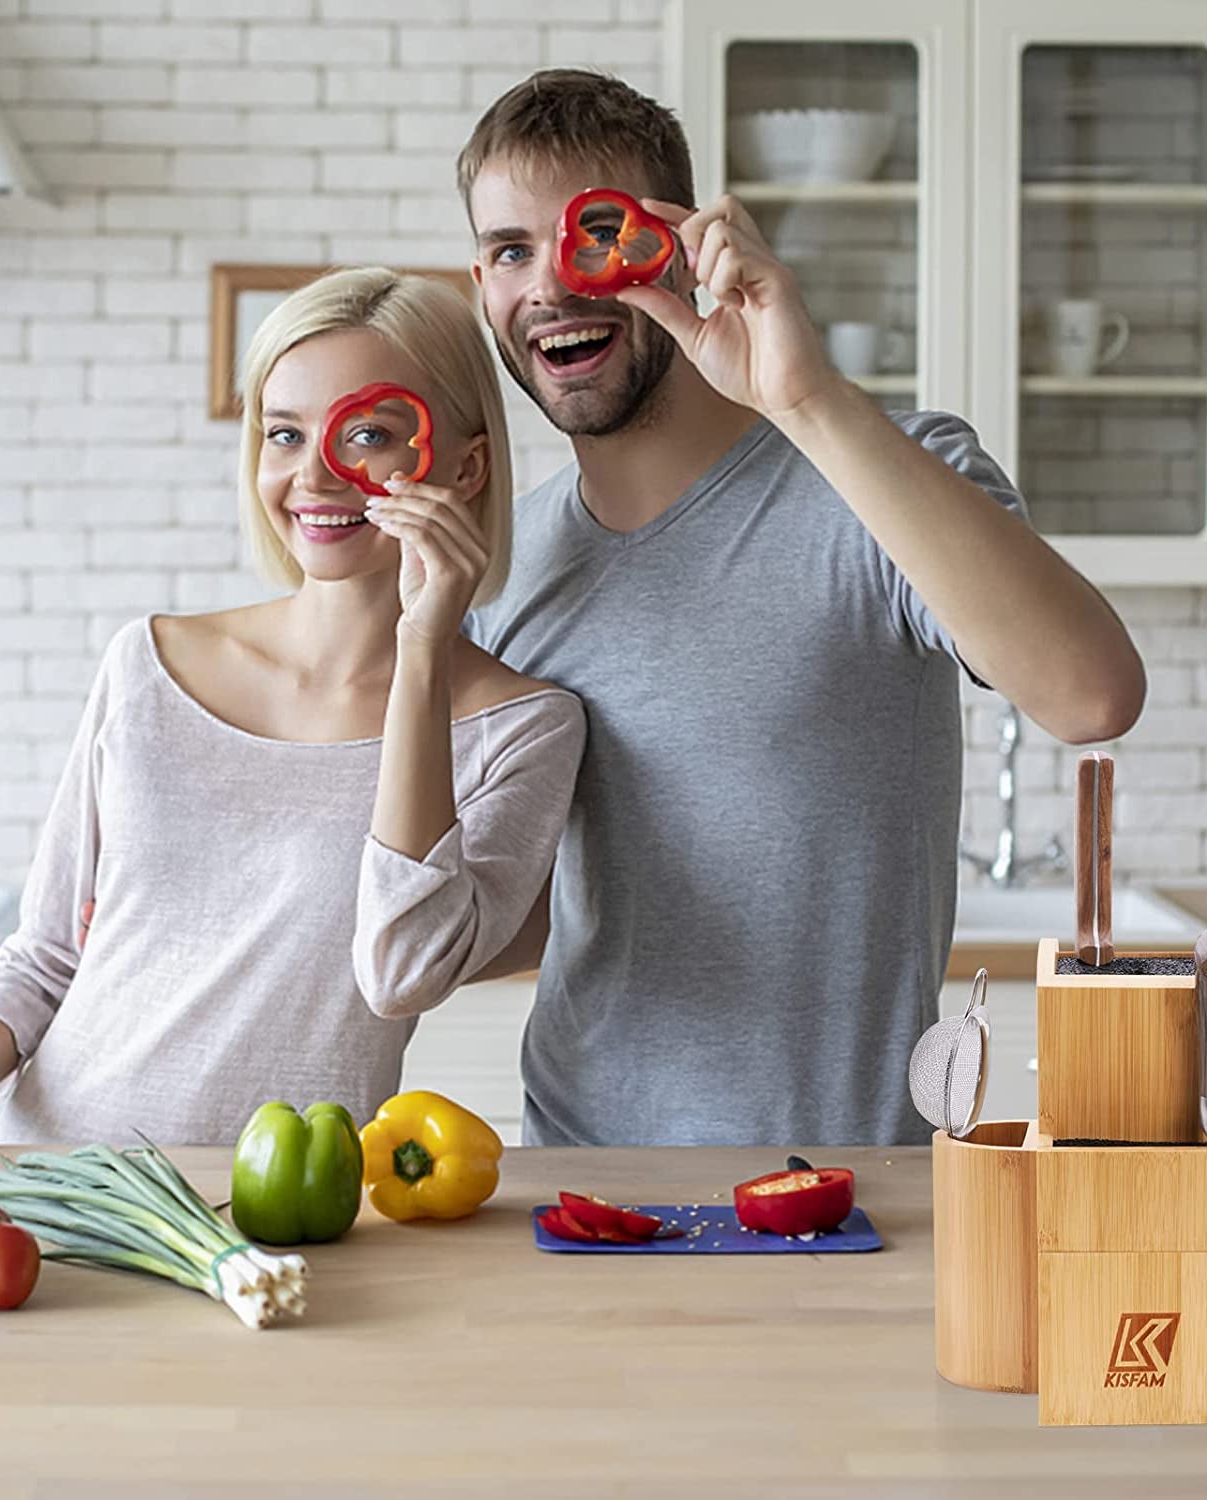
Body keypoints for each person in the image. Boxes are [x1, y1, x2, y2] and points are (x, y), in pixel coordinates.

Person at [458, 70, 1147, 1148]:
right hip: (585, 1179)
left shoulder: (883, 472)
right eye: (510, 250)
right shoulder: (506, 566)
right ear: (481, 283)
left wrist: (806, 398)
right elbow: (517, 910)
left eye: (592, 234)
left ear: (678, 243)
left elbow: (1092, 695)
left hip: (843, 1182)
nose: (550, 282)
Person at [0, 268, 585, 1152]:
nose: (315, 475)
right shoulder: (148, 665)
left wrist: (424, 646)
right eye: (284, 433)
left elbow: (403, 972)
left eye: (367, 434)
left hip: (281, 1204)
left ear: (465, 466)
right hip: (52, 1180)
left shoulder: (524, 729)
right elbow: (44, 960)